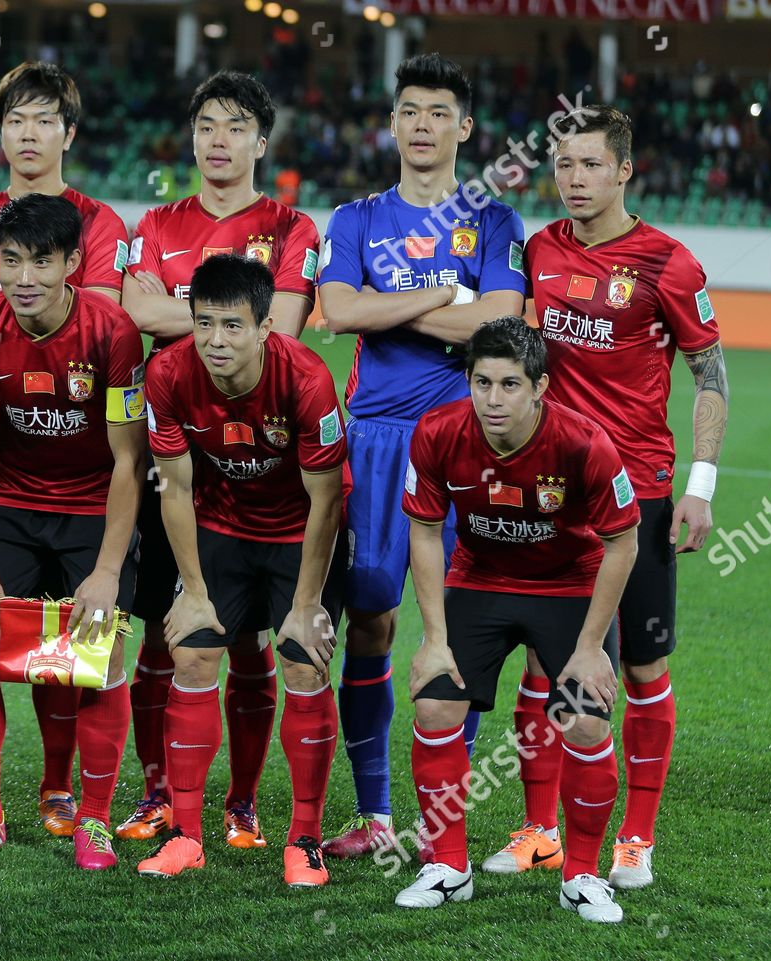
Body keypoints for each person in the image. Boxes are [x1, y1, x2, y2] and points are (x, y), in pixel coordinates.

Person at [507, 105, 729, 889]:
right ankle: (537, 829)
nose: (574, 180)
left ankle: (636, 837)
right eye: (564, 164)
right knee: (544, 660)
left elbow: (711, 376)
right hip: (551, 492)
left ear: (624, 170)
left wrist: (700, 486)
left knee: (639, 667)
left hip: (640, 494)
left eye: (591, 165)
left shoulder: (669, 262)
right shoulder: (537, 250)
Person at [317, 52, 527, 859]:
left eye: (440, 112)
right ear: (394, 122)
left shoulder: (498, 224)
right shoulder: (355, 218)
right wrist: (445, 296)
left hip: (467, 441)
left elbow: (501, 328)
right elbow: (338, 311)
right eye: (410, 110)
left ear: (464, 129)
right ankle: (374, 817)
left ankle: (443, 817)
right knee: (371, 616)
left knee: (465, 626)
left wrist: (389, 308)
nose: (423, 125)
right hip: (372, 437)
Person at [117, 70, 322, 848]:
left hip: (260, 464)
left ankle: (238, 800)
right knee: (163, 630)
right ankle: (157, 791)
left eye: (235, 126)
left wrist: (184, 315)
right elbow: (134, 312)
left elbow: (291, 331)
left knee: (247, 642)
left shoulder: (293, 227)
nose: (217, 140)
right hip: (173, 452)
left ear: (261, 142)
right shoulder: (157, 221)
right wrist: (231, 319)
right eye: (206, 124)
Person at [0, 61, 129, 834]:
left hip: (91, 485)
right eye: (16, 120)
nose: (29, 134)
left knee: (86, 642)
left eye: (45, 120)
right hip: (2, 483)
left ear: (69, 133)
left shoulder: (101, 223)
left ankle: (73, 797)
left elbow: (99, 327)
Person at [393, 316, 639, 923]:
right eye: (482, 383)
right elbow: (424, 532)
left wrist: (589, 647)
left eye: (509, 385)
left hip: (569, 584)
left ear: (540, 387)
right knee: (433, 702)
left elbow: (623, 543)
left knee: (584, 723)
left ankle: (581, 875)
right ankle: (449, 867)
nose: (493, 400)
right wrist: (434, 639)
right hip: (480, 579)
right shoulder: (437, 432)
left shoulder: (585, 443)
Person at [0, 194, 145, 871]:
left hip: (91, 507)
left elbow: (128, 459)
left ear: (74, 263)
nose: (24, 277)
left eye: (42, 261)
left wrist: (108, 571)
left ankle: (95, 819)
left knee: (99, 649)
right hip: (10, 502)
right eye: (12, 259)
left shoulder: (113, 332)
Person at [138, 255, 344, 887]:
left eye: (232, 326)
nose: (216, 341)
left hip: (298, 533)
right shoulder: (167, 374)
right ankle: (186, 836)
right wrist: (194, 593)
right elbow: (173, 488)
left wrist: (307, 602)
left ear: (265, 327)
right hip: (221, 529)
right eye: (204, 324)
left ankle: (303, 841)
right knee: (194, 653)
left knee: (303, 660)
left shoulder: (306, 380)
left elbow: (327, 499)